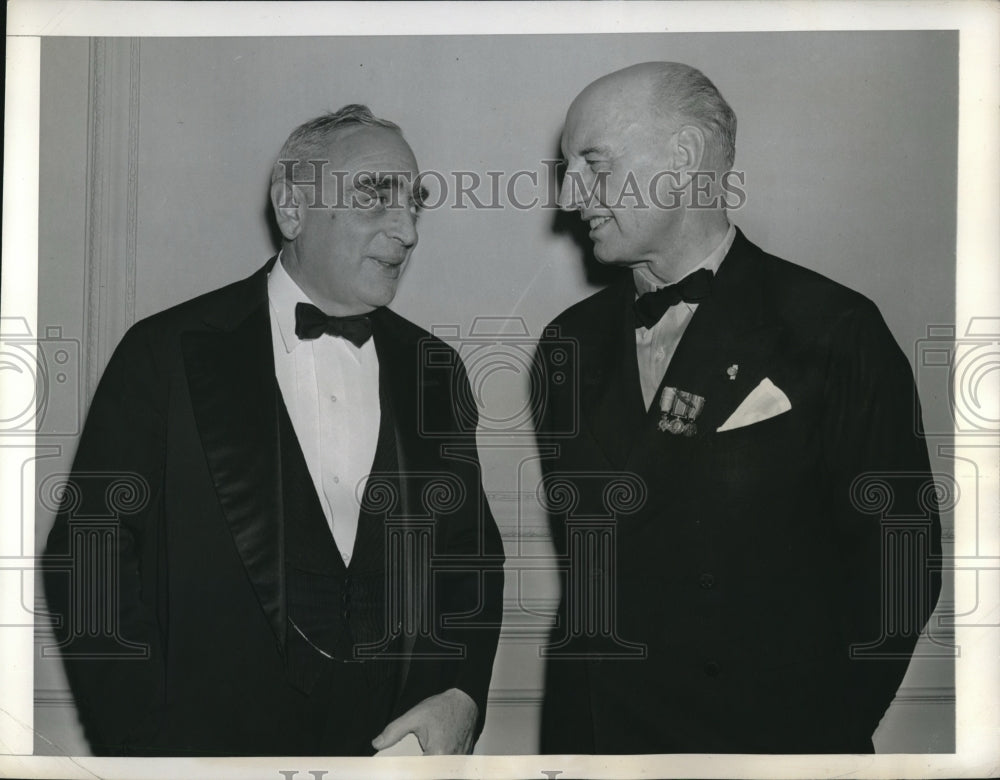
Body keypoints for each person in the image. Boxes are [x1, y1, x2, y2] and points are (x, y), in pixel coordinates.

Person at [44, 105, 504, 756]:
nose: (406, 231)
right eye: (377, 196)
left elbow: (472, 559)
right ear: (293, 207)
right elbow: (88, 557)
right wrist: (141, 749)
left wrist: (463, 695)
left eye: (414, 205)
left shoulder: (437, 371)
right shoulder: (165, 353)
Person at [534, 62, 941, 754]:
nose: (570, 196)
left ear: (686, 157)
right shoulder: (564, 344)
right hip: (597, 741)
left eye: (593, 164)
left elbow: (902, 567)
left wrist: (816, 739)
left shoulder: (835, 329)